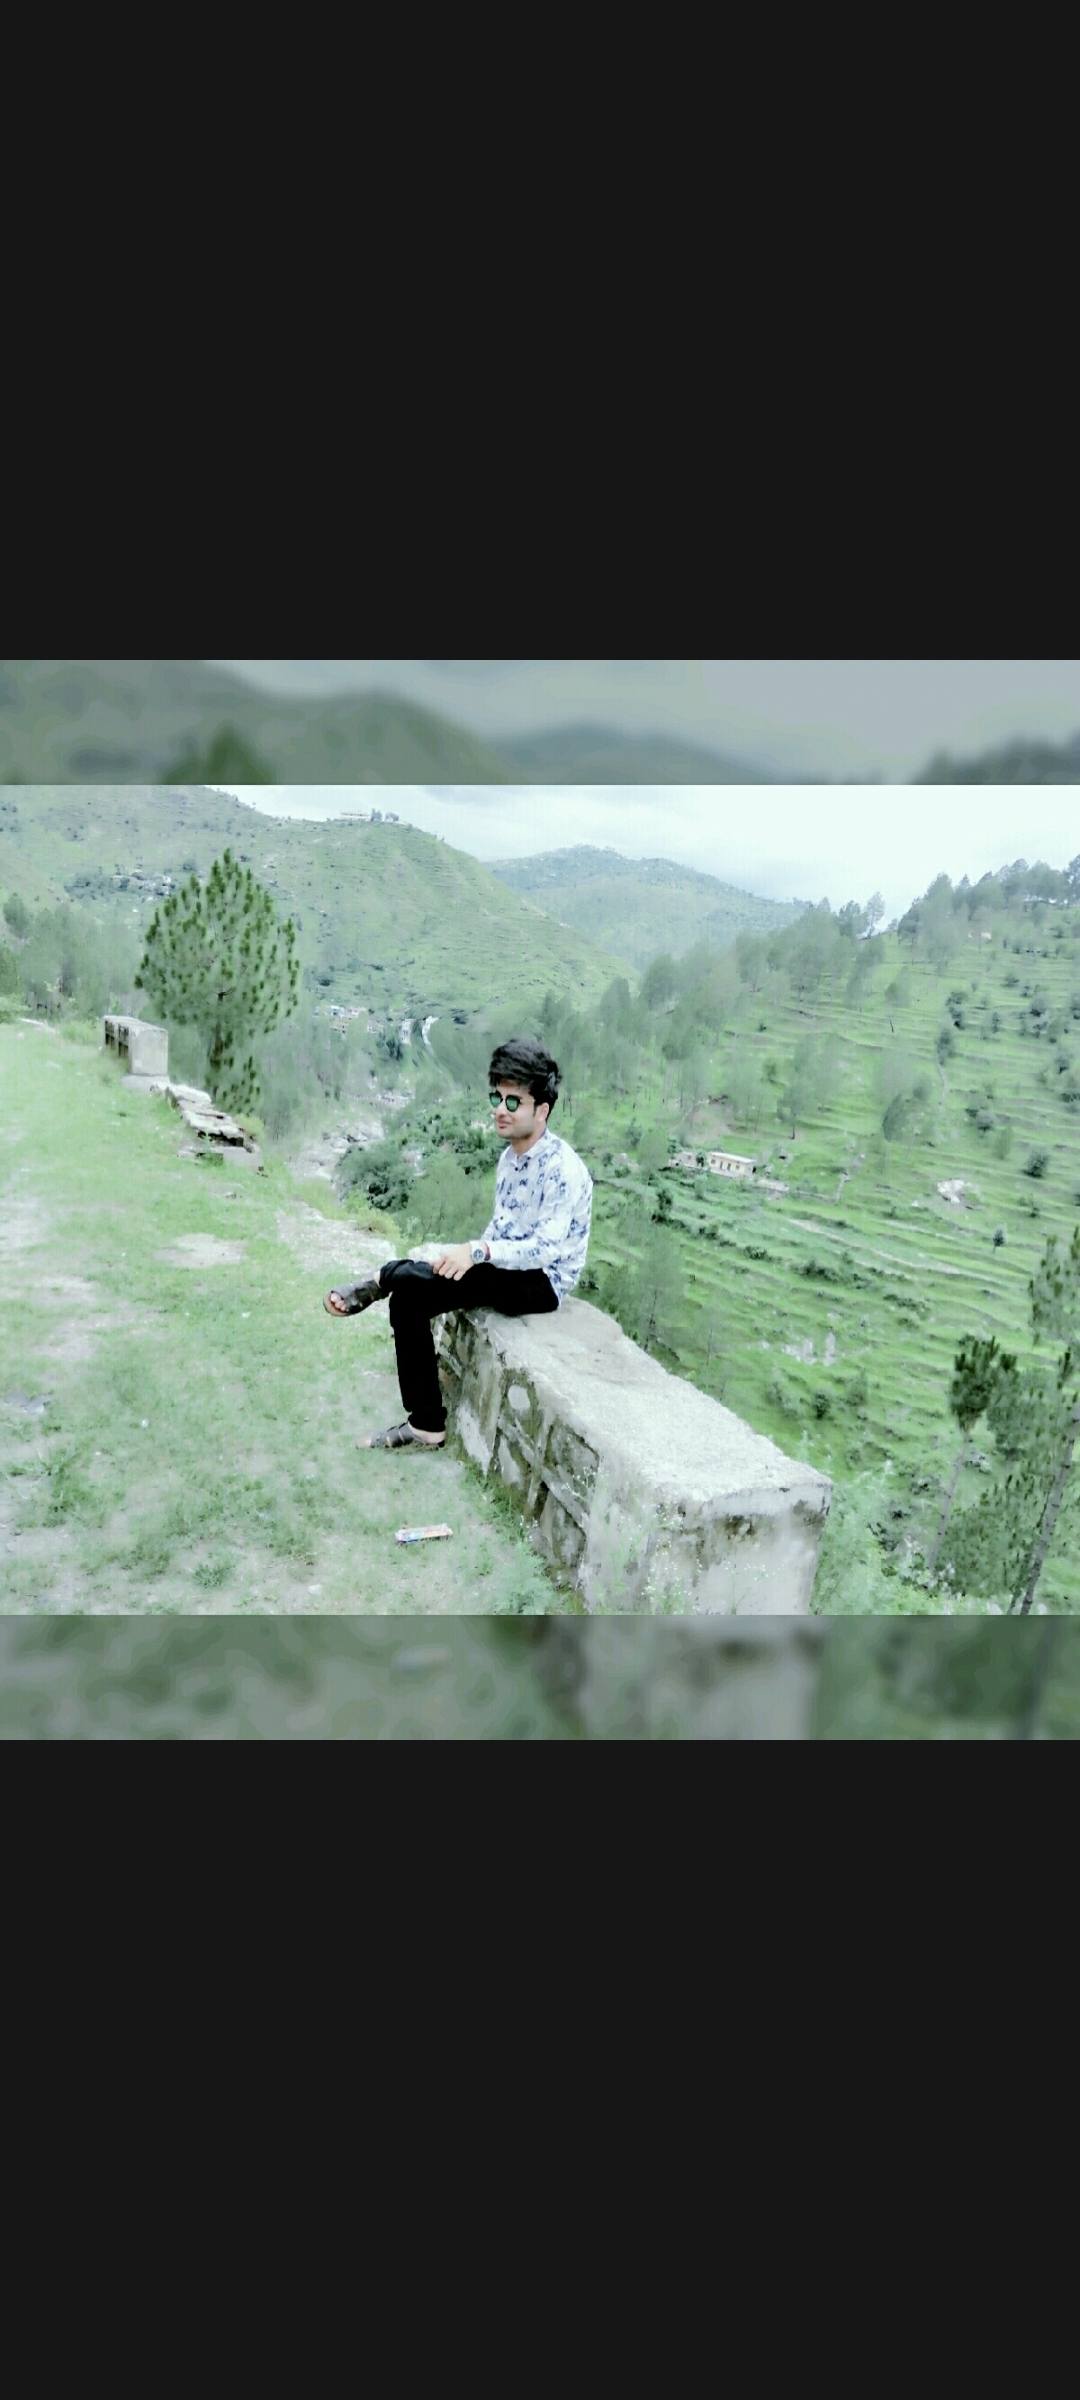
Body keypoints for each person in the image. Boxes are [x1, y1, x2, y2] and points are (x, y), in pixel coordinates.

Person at [324, 1037, 593, 1450]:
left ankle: (382, 1277)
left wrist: (478, 1253)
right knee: (409, 1299)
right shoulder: (510, 1159)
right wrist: (471, 1255)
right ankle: (426, 1423)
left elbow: (547, 1249)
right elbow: (502, 1227)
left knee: (413, 1279)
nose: (500, 1109)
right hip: (504, 1267)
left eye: (513, 1101)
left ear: (542, 1110)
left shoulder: (562, 1169)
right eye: (497, 1097)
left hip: (542, 1282)